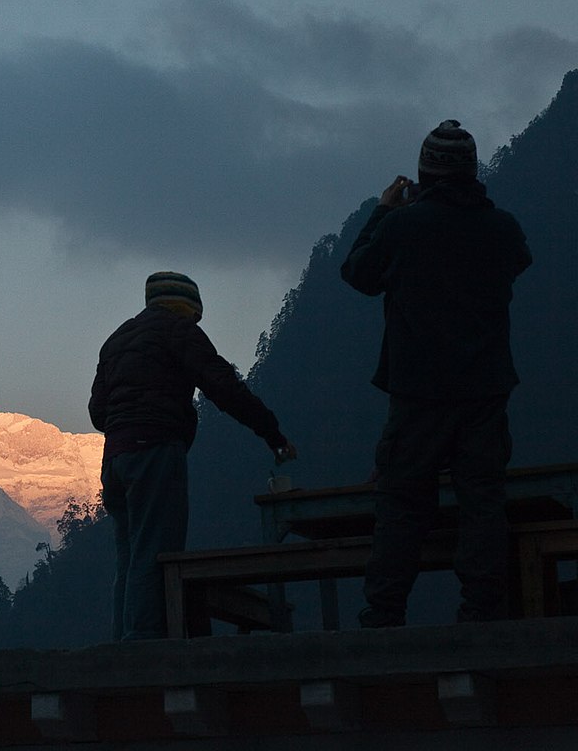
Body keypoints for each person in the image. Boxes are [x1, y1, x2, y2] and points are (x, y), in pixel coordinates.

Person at [341, 120, 532, 627]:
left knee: (402, 503)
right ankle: (482, 612)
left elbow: (358, 274)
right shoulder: (503, 229)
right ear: (471, 171)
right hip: (485, 388)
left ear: (425, 172)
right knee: (483, 501)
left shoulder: (403, 227)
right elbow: (518, 262)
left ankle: (384, 614)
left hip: (417, 390)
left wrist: (384, 210)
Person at [89, 271, 296, 640]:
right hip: (154, 452)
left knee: (129, 555)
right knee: (154, 553)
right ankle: (145, 649)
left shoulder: (116, 340)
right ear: (188, 308)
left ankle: (121, 647)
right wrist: (271, 432)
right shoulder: (179, 330)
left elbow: (97, 412)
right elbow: (223, 386)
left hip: (115, 460)